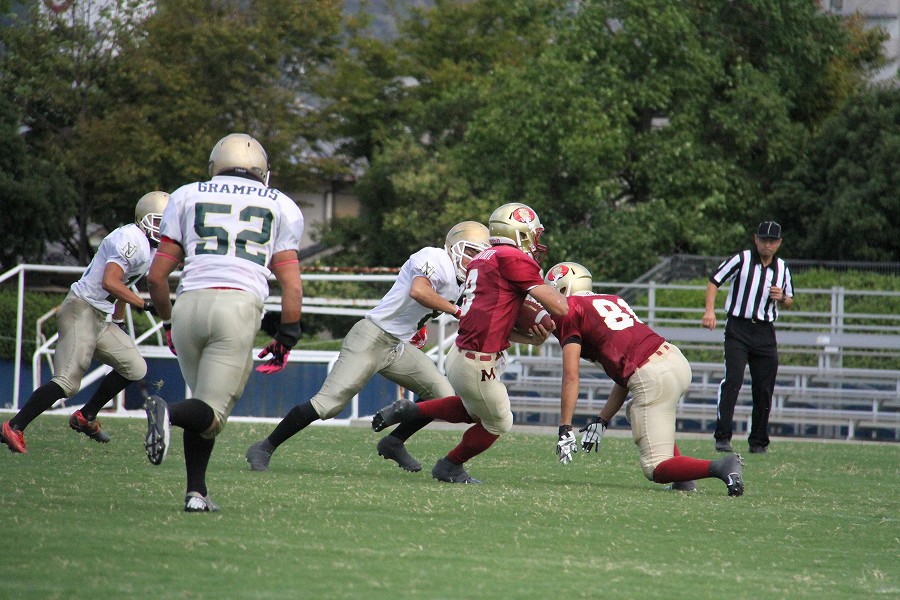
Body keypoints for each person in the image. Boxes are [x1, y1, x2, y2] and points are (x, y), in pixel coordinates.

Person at [244, 221, 492, 473]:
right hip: (371, 337)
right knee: (328, 405)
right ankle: (264, 447)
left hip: (397, 346)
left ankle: (393, 442)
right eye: (470, 251)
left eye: (479, 255)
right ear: (453, 247)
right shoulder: (434, 257)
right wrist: (457, 311)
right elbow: (419, 291)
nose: (473, 260)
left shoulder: (464, 282)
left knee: (443, 395)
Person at [145, 133, 304, 512]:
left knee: (202, 402)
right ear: (262, 170)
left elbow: (156, 277)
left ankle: (196, 493)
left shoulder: (186, 195)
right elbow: (292, 285)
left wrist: (167, 322)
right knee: (211, 414)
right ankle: (166, 412)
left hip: (188, 305)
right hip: (237, 307)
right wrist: (287, 335)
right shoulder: (281, 204)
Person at [372, 202, 568, 484]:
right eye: (532, 235)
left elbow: (492, 318)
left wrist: (530, 337)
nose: (535, 242)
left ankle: (412, 410)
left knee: (474, 410)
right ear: (520, 233)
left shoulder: (482, 258)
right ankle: (450, 465)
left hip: (461, 354)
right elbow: (560, 308)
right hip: (478, 361)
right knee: (499, 421)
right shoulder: (513, 258)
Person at [545, 262, 744, 496]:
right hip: (673, 359)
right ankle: (683, 480)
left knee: (655, 467)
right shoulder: (611, 299)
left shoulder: (570, 309)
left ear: (561, 289)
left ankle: (722, 466)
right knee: (636, 409)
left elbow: (571, 375)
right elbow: (627, 372)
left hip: (653, 375)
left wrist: (565, 427)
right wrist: (602, 419)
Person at [1, 192, 169, 454]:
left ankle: (86, 416)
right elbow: (110, 282)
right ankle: (14, 426)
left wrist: (119, 321)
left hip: (100, 316)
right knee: (67, 383)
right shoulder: (132, 239)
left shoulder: (149, 248)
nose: (163, 228)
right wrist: (144, 304)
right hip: (80, 309)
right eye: (158, 221)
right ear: (143, 219)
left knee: (135, 367)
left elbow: (123, 284)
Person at [703, 221, 794, 454]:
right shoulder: (741, 259)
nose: (767, 245)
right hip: (739, 328)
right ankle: (723, 436)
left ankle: (758, 441)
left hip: (765, 331)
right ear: (756, 239)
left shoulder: (782, 267)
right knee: (733, 380)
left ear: (779, 243)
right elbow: (714, 281)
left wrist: (782, 297)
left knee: (764, 387)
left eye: (772, 241)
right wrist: (709, 311)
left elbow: (790, 299)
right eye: (763, 240)